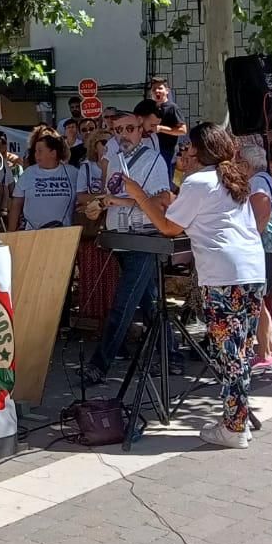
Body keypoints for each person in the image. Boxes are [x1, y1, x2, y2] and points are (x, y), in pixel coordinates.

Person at [119, 123, 265, 448]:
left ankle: (234, 427)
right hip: (252, 272)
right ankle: (238, 418)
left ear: (199, 151)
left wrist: (139, 196)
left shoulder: (199, 181)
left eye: (186, 147)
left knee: (229, 355)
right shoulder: (231, 179)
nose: (181, 152)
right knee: (241, 351)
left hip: (223, 275)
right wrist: (164, 201)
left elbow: (169, 229)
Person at [83, 109, 175, 386]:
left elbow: (161, 201)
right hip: (120, 236)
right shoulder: (113, 161)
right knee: (149, 301)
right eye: (119, 129)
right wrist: (97, 206)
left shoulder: (154, 160)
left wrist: (119, 202)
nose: (124, 134)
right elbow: (109, 195)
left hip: (144, 236)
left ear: (140, 130)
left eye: (130, 129)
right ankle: (170, 354)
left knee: (124, 304)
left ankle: (100, 364)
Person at [242, 145, 272, 374]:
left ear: (247, 164)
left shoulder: (257, 182)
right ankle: (269, 350)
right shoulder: (268, 179)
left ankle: (265, 353)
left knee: (258, 299)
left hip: (262, 247)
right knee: (263, 299)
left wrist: (250, 240)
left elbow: (262, 214)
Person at [7, 131, 77, 231]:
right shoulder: (28, 173)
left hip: (63, 233)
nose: (36, 155)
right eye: (35, 151)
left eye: (40, 151)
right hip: (32, 233)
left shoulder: (72, 172)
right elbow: (16, 204)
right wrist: (11, 232)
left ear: (53, 153)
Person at [147, 75, 188, 167]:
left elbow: (183, 130)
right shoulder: (149, 108)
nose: (157, 91)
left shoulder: (173, 108)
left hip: (166, 150)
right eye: (154, 89)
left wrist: (161, 129)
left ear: (167, 91)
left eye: (160, 88)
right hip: (150, 148)